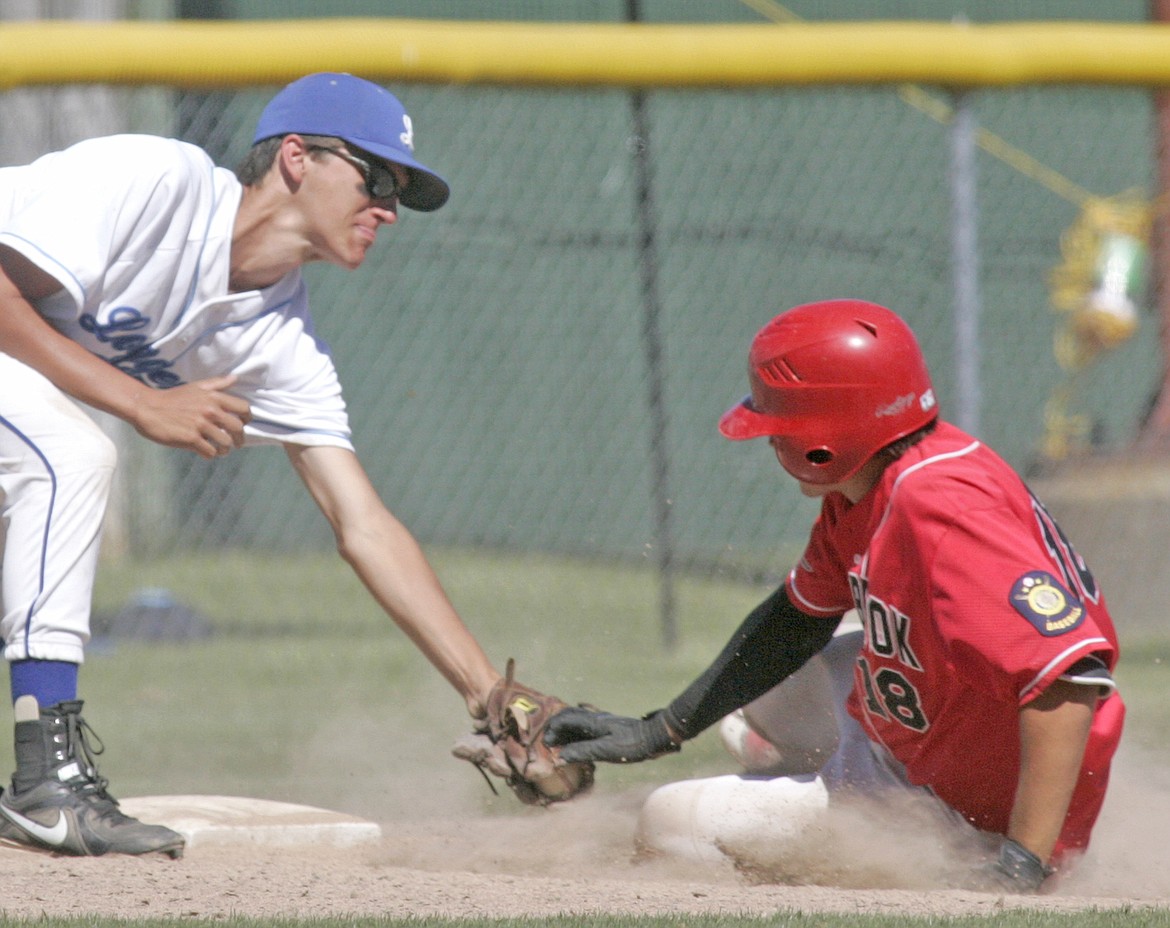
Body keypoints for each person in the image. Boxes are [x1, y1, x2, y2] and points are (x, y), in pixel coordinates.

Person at [0, 73, 509, 858]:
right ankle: (46, 779)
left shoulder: (279, 344)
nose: (389, 208)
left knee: (54, 458)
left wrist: (491, 698)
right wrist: (141, 402)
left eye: (400, 192)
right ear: (298, 158)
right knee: (70, 453)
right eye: (376, 178)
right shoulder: (156, 183)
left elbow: (361, 522)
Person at [547, 299, 1125, 893]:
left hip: (951, 813)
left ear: (824, 437)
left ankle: (816, 799)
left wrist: (1024, 862)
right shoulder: (880, 477)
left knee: (668, 821)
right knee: (764, 690)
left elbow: (1069, 678)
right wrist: (661, 729)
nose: (771, 441)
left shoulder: (938, 505)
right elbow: (796, 620)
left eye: (780, 428)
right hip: (922, 724)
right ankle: (789, 766)